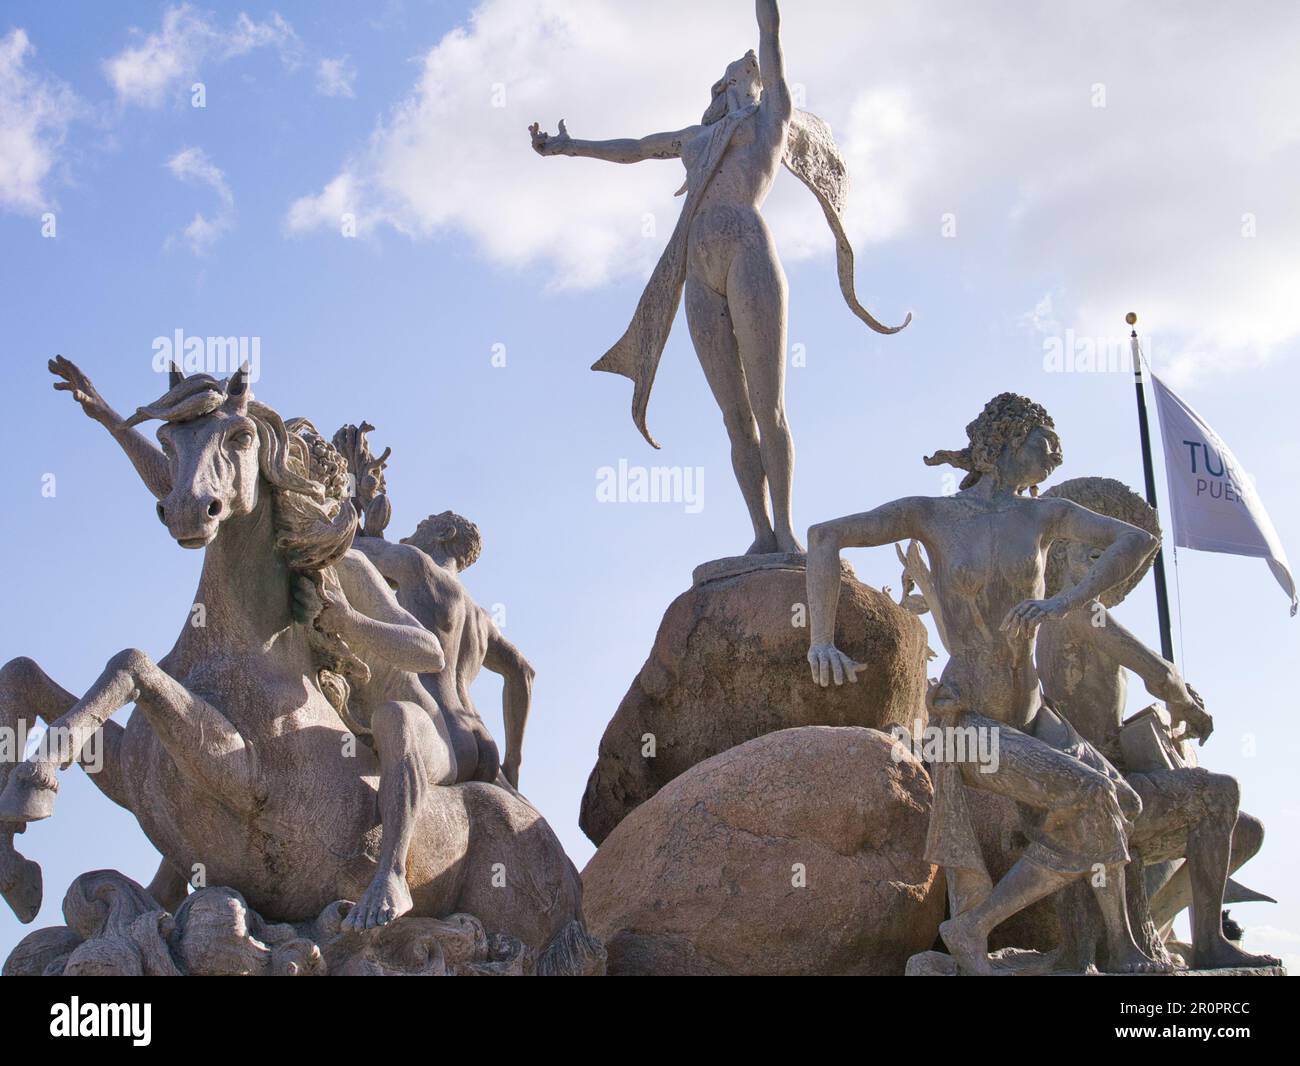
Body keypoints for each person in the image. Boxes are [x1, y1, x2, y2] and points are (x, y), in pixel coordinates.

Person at [805, 393, 1166, 974]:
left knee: (1119, 801)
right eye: (1043, 441)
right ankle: (978, 928)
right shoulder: (931, 514)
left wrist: (1065, 600)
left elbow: (1137, 540)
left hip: (1035, 714)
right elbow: (824, 537)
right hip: (967, 720)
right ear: (1002, 443)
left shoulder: (1045, 515)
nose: (1055, 454)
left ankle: (1114, 948)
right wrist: (821, 639)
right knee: (1093, 795)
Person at [1036, 476, 1278, 969]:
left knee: (1244, 831)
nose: (1102, 567)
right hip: (1103, 790)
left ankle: (1154, 930)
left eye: (1105, 558)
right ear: (1059, 556)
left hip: (1111, 782)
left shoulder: (1059, 617)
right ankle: (1210, 944)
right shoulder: (1079, 609)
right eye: (1090, 556)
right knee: (1222, 792)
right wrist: (1186, 702)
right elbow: (1158, 671)